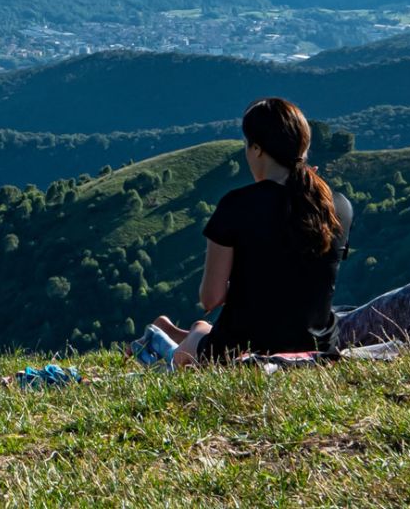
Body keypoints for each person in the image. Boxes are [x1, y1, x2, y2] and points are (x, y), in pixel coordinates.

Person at [151, 97, 353, 366]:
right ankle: (182, 333)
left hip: (241, 348)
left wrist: (246, 283)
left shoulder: (236, 205)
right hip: (318, 349)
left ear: (257, 149)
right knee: (204, 332)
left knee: (194, 340)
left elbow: (211, 298)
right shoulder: (338, 206)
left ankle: (174, 336)